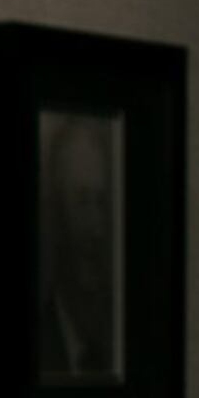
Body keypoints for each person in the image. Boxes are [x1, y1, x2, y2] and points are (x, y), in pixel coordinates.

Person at [36, 112, 119, 381]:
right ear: (57, 216)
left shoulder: (117, 341)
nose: (96, 229)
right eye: (82, 203)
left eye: (101, 203)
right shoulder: (39, 340)